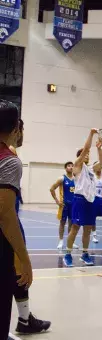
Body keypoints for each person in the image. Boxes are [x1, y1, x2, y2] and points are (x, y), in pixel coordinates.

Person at [10, 123, 51, 335]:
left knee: (16, 274)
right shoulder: (9, 156)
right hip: (8, 223)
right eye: (22, 129)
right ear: (16, 130)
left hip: (11, 220)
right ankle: (25, 320)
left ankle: (25, 319)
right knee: (19, 272)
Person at [0, 100, 32, 339]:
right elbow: (5, 213)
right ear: (14, 129)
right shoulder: (9, 161)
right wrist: (23, 257)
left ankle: (26, 318)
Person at [63, 129, 102, 267]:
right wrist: (91, 134)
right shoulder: (77, 165)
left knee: (87, 229)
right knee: (75, 228)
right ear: (80, 156)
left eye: (88, 154)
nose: (87, 154)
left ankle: (85, 253)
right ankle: (68, 254)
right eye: (85, 153)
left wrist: (99, 149)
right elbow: (86, 147)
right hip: (79, 200)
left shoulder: (91, 169)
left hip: (90, 201)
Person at [50, 162, 79, 250]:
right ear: (65, 168)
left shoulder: (77, 179)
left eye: (72, 166)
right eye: (69, 166)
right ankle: (61, 241)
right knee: (62, 223)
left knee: (72, 224)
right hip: (64, 205)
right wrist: (57, 201)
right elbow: (52, 189)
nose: (71, 167)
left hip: (74, 205)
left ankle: (71, 242)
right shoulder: (62, 179)